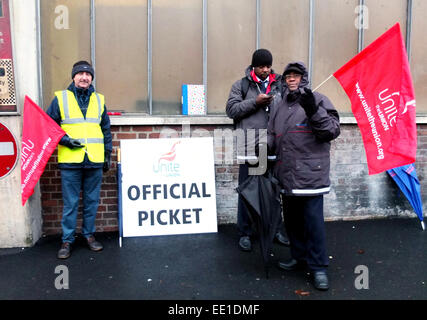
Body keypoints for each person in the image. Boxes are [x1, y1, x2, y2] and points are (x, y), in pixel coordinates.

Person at [267, 62, 340, 290]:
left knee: (313, 224)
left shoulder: (318, 99)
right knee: (292, 222)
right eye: (288, 76)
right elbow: (272, 135)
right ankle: (298, 257)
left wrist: (313, 109)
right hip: (286, 175)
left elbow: (330, 131)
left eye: (295, 76)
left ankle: (318, 268)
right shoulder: (279, 105)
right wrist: (260, 149)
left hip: (310, 177)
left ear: (303, 78)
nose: (291, 79)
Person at [47, 61, 112, 259]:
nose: (84, 77)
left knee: (92, 201)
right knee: (71, 203)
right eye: (80, 73)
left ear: (92, 77)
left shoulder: (99, 100)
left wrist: (107, 155)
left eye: (88, 74)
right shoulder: (61, 99)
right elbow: (49, 126)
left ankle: (89, 235)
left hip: (94, 160)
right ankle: (67, 240)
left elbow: (105, 130)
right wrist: (66, 140)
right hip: (70, 161)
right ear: (73, 76)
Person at [226, 48, 289, 252]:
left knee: (274, 191)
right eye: (261, 66)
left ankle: (276, 229)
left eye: (268, 66)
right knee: (248, 190)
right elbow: (231, 110)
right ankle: (245, 233)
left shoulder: (280, 82)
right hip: (251, 146)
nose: (265, 70)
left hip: (273, 145)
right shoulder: (241, 85)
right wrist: (256, 102)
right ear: (254, 66)